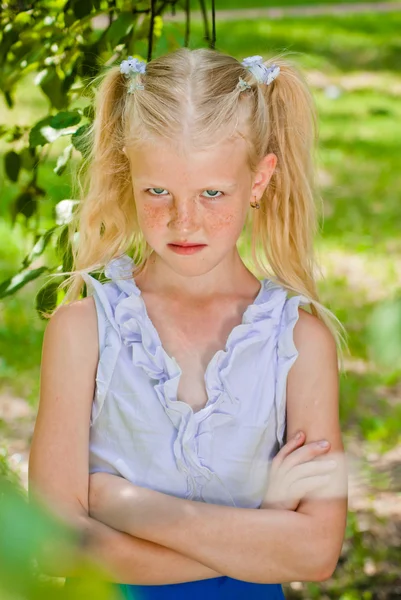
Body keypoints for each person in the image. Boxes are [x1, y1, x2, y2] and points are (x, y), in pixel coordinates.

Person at [28, 48, 349, 599]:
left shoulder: (298, 342)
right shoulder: (84, 331)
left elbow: (316, 552)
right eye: (158, 191)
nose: (184, 220)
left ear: (258, 179)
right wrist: (258, 537)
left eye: (212, 193)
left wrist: (126, 506)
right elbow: (55, 544)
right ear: (130, 177)